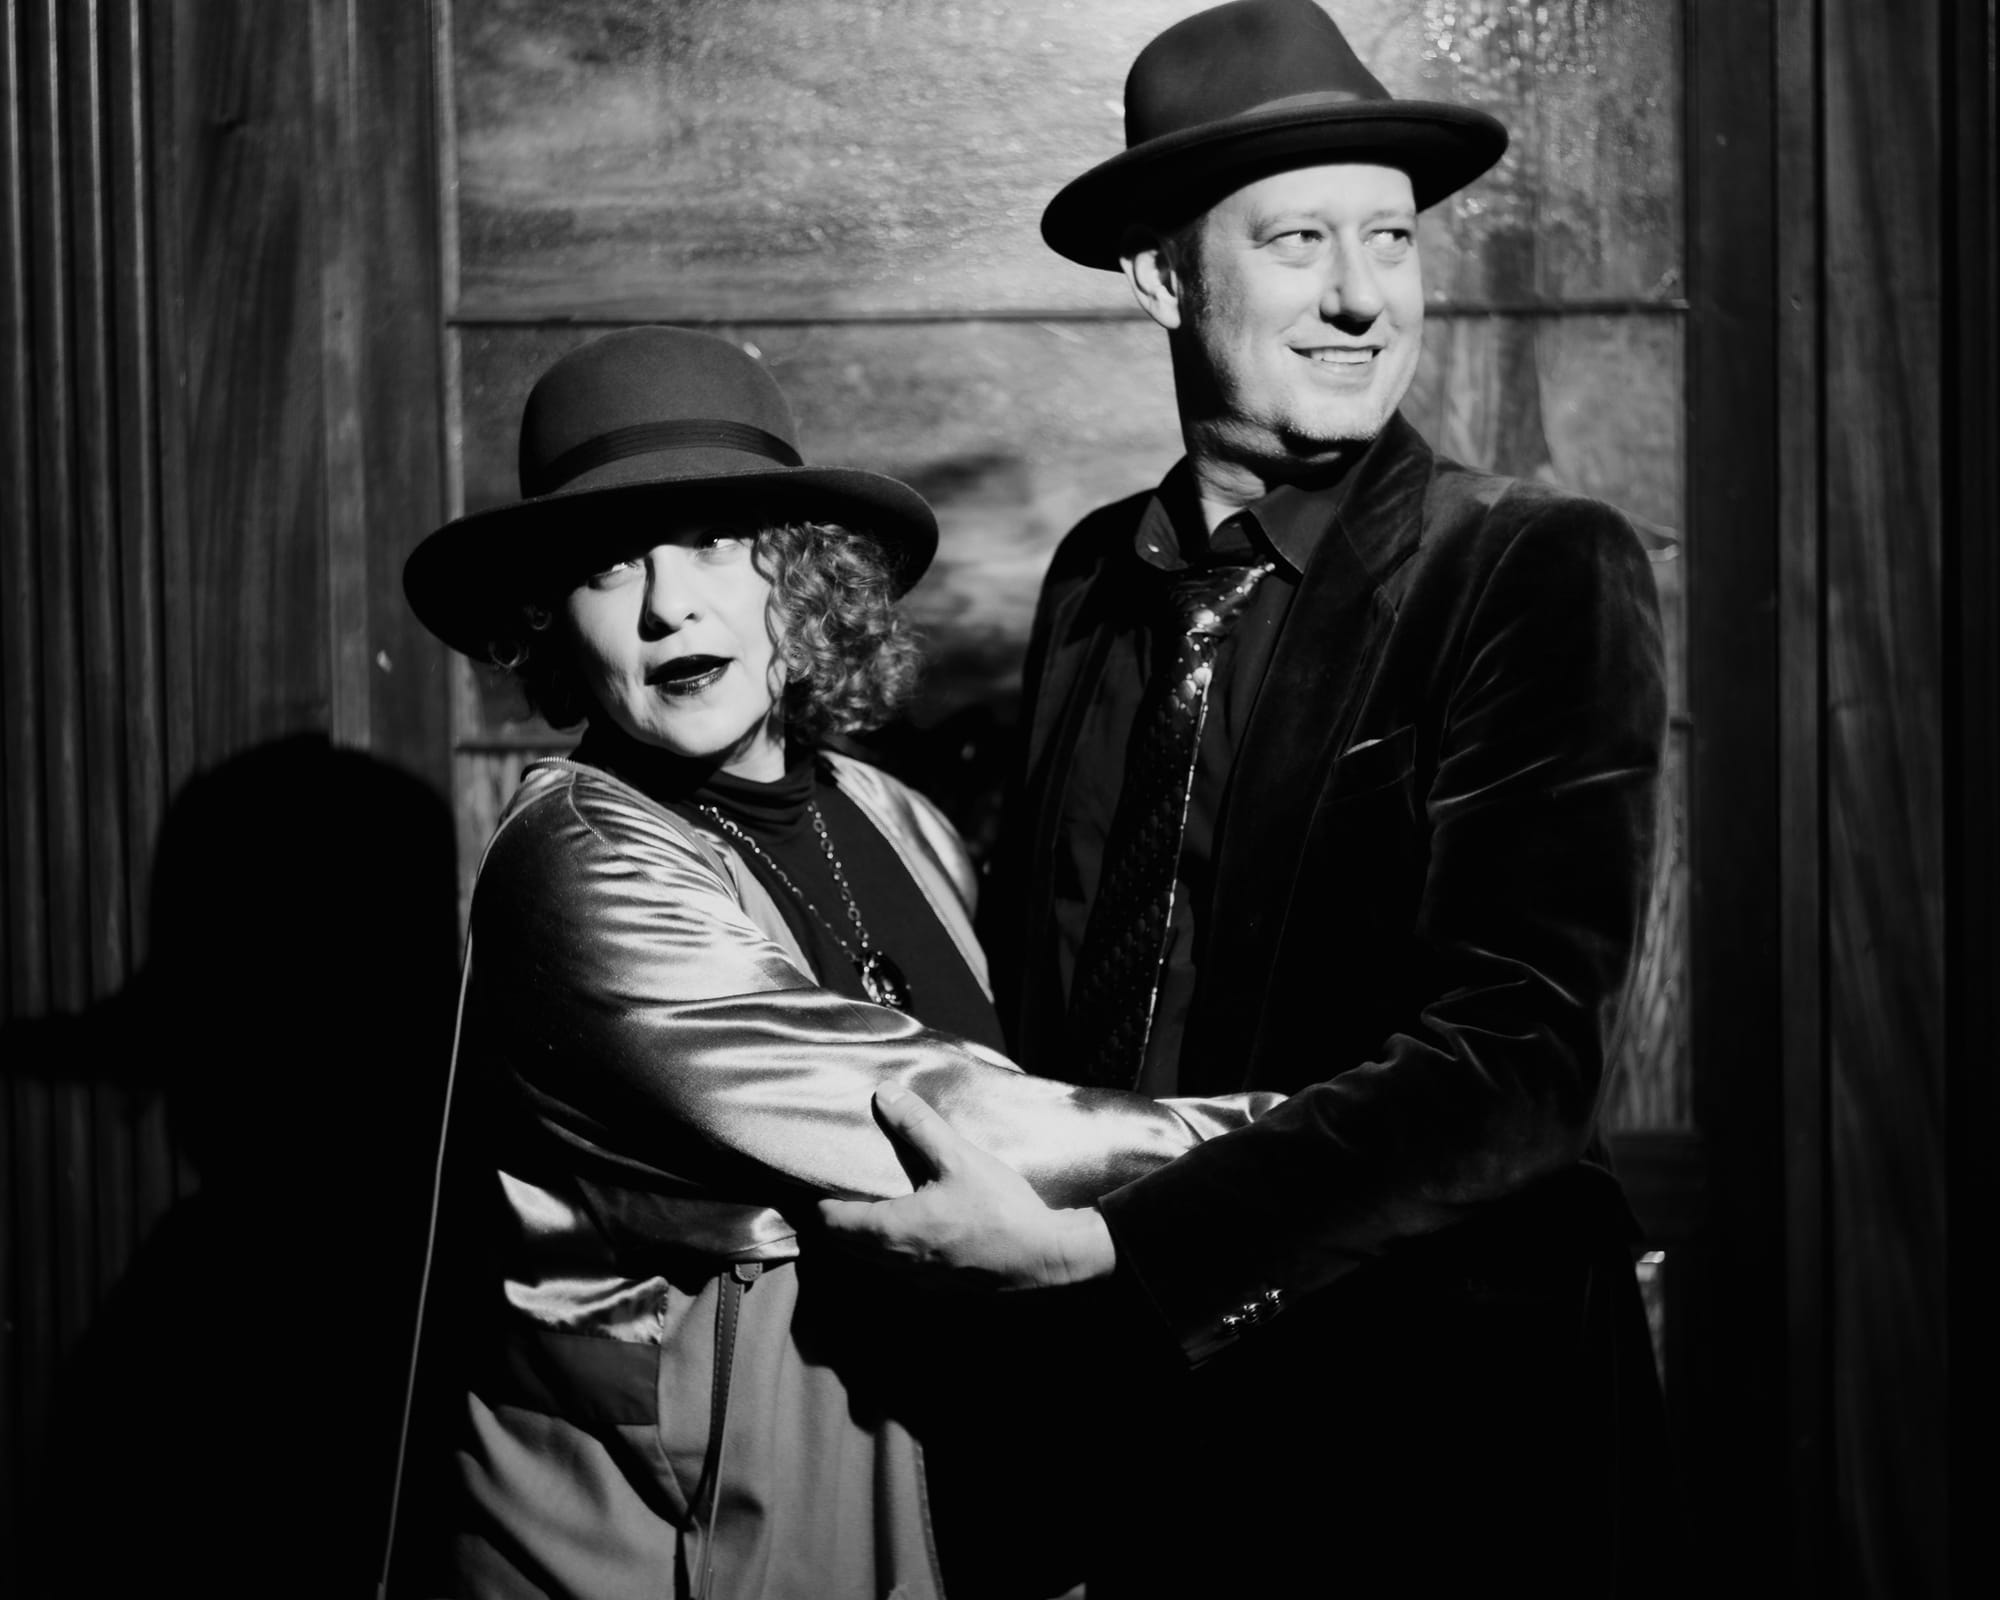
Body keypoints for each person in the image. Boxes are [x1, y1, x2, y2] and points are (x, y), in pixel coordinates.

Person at [821, 2, 1680, 1595]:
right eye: (1298, 241)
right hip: (1134, 1442)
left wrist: (1123, 1251)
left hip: (1439, 1441)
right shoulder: (1097, 577)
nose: (1362, 296)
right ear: (1162, 276)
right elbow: (1060, 981)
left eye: (1390, 239)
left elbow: (1519, 1059)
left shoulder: (1529, 566)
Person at [394, 326, 1276, 1600]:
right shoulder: (576, 862)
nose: (666, 605)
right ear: (550, 622)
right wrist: (1334, 1146)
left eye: (714, 543)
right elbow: (947, 1121)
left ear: (802, 578)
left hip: (958, 1502)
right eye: (607, 566)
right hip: (709, 1553)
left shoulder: (889, 812)